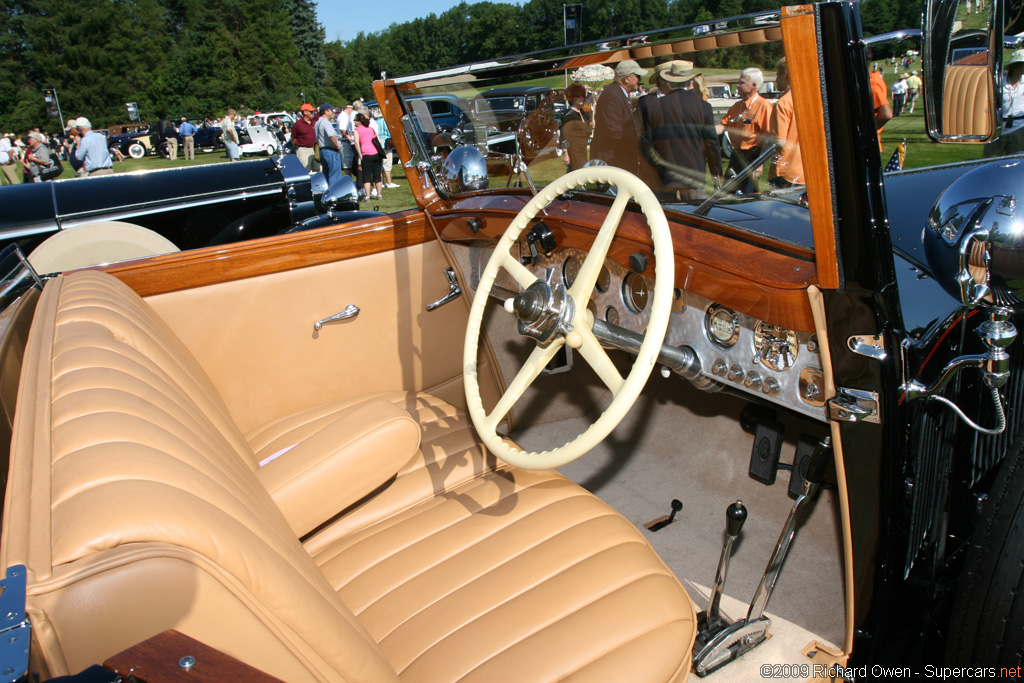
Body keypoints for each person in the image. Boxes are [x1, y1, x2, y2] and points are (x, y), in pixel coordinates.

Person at [639, 60, 722, 199]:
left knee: (664, 217)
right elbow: (711, 144)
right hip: (694, 175)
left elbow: (646, 142)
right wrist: (716, 175)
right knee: (693, 217)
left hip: (663, 176)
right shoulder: (703, 107)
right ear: (690, 82)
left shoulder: (654, 107)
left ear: (670, 81)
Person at [718, 67, 773, 194]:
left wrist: (760, 164)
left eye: (741, 82)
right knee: (726, 195)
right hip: (736, 156)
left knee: (748, 197)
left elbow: (768, 137)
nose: (738, 85)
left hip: (752, 158)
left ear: (753, 85)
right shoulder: (737, 106)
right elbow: (722, 126)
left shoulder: (764, 106)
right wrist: (701, 132)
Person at [591, 59, 648, 174]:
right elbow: (614, 131)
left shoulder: (617, 93)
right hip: (613, 161)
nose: (640, 80)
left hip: (618, 158)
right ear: (627, 78)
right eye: (638, 76)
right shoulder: (612, 95)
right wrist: (638, 144)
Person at [768, 57, 802, 189]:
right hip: (810, 171)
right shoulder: (812, 98)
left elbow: (780, 142)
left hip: (787, 172)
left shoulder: (784, 103)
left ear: (785, 75)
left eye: (778, 74)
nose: (776, 79)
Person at [560, 83, 591, 171]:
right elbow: (563, 135)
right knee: (578, 174)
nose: (581, 98)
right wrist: (565, 153)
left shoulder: (582, 112)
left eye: (582, 95)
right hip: (574, 150)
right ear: (572, 97)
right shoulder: (569, 114)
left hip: (582, 149)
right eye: (578, 96)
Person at [353, 112, 384, 201]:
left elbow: (356, 143)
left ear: (359, 121)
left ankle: (367, 196)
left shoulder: (357, 130)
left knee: (366, 176)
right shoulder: (371, 129)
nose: (354, 122)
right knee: (377, 175)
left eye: (355, 120)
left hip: (366, 153)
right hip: (376, 153)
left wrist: (360, 154)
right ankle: (379, 194)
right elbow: (379, 140)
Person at [315, 103, 342, 183]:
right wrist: (337, 146)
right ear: (326, 112)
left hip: (323, 150)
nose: (332, 112)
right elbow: (331, 136)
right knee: (335, 175)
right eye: (331, 110)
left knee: (326, 174)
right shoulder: (326, 122)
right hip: (331, 150)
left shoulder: (317, 123)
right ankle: (335, 193)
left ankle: (327, 193)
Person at [869, 66, 893, 153]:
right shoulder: (876, 78)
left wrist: (864, 133)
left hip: (867, 145)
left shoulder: (872, 84)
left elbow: (886, 114)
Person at [291, 103, 319, 172]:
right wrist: (298, 148)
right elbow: (293, 138)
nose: (312, 113)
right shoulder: (297, 125)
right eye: (311, 111)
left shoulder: (314, 122)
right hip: (303, 150)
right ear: (305, 112)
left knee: (317, 170)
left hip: (315, 149)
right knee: (305, 171)